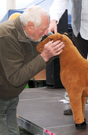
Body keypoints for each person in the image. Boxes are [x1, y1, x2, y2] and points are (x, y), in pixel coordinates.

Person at [0, 5, 64, 135]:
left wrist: (54, 51)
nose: (47, 33)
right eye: (44, 29)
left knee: (13, 131)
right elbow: (16, 78)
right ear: (30, 26)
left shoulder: (32, 33)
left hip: (11, 97)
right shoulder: (6, 37)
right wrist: (44, 56)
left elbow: (36, 61)